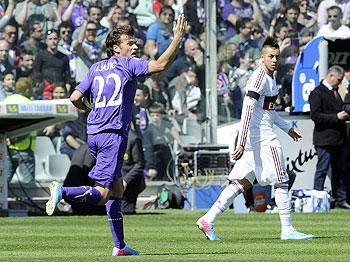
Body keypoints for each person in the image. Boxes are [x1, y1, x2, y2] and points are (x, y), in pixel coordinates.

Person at [45, 15, 187, 256]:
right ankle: (63, 192)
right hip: (112, 136)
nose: (134, 46)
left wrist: (89, 110)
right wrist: (177, 38)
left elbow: (75, 98)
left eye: (135, 42)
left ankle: (119, 246)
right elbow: (161, 65)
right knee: (102, 195)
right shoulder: (128, 65)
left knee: (118, 187)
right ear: (115, 48)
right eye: (129, 43)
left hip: (94, 134)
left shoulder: (95, 67)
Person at [196, 37, 315, 241]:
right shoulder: (259, 78)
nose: (275, 60)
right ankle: (287, 229)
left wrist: (287, 129)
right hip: (263, 139)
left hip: (255, 139)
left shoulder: (271, 77)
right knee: (282, 181)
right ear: (262, 58)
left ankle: (208, 219)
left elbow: (269, 111)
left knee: (241, 183)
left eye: (277, 56)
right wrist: (241, 142)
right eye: (270, 56)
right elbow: (247, 109)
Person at [309, 65, 350, 209]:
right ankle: (317, 199)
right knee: (322, 169)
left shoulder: (336, 92)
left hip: (339, 139)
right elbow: (316, 116)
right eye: (339, 80)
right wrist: (336, 117)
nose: (340, 83)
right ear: (331, 76)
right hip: (324, 139)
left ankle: (340, 199)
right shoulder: (317, 93)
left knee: (339, 171)